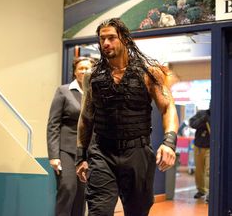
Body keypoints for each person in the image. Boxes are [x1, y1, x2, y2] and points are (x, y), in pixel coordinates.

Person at [76, 18, 179, 216]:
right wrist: (81, 156)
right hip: (102, 152)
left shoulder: (149, 72)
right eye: (102, 39)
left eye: (112, 38)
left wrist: (169, 142)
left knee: (137, 211)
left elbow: (167, 108)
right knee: (99, 211)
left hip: (137, 153)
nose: (106, 43)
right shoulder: (92, 75)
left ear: (124, 39)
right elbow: (86, 118)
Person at [47, 56, 94, 216]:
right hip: (66, 151)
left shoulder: (95, 94)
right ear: (75, 71)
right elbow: (53, 124)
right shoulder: (64, 91)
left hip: (87, 153)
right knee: (67, 189)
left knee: (82, 195)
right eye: (81, 68)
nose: (85, 71)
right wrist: (53, 155)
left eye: (88, 68)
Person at [189, 106, 210, 203]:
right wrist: (203, 119)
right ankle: (201, 190)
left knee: (208, 171)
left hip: (210, 147)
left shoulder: (217, 115)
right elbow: (192, 123)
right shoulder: (201, 113)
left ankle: (209, 192)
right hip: (199, 147)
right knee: (199, 170)